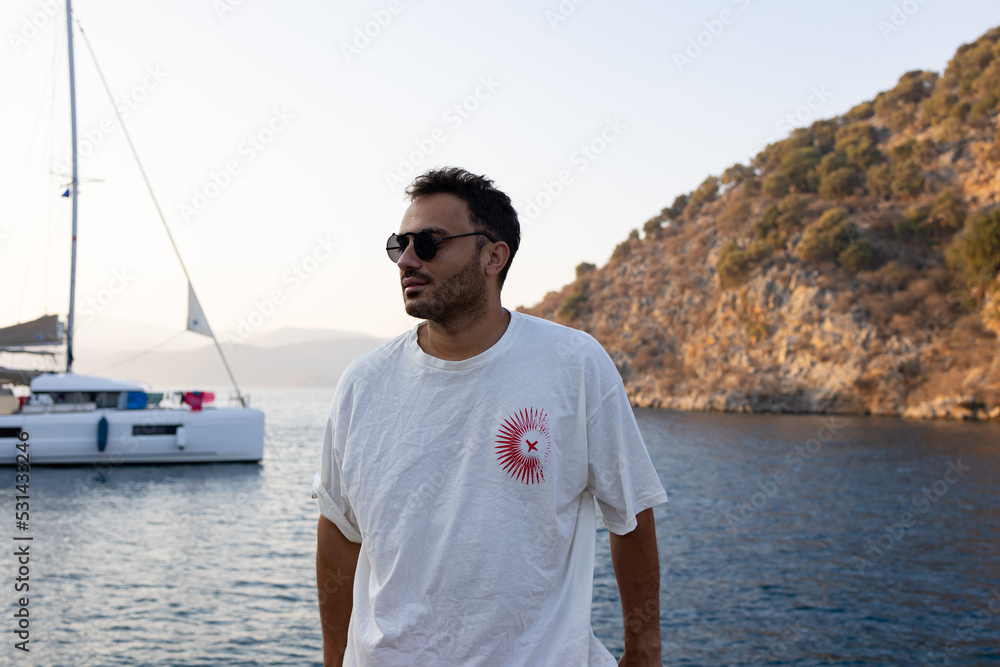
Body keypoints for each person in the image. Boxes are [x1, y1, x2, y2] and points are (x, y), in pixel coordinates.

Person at [314, 167, 667, 666]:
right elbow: (338, 531)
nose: (408, 260)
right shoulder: (362, 384)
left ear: (493, 256)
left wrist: (645, 652)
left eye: (429, 243)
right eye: (400, 245)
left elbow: (630, 514)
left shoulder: (573, 364)